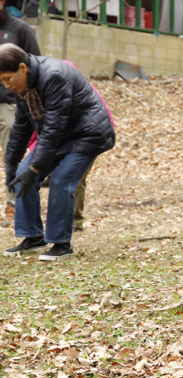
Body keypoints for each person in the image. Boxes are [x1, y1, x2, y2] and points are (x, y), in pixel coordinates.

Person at [0, 43, 115, 261]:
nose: (6, 86)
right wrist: (11, 165)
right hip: (61, 136)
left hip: (87, 135)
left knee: (61, 180)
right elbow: (22, 127)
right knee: (22, 173)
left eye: (7, 79)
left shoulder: (53, 76)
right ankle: (33, 237)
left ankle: (62, 244)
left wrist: (35, 168)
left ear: (23, 68)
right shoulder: (22, 88)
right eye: (2, 81)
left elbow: (53, 127)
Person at [0, 0, 41, 227]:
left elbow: (35, 63)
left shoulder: (20, 29)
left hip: (7, 103)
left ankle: (13, 203)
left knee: (12, 154)